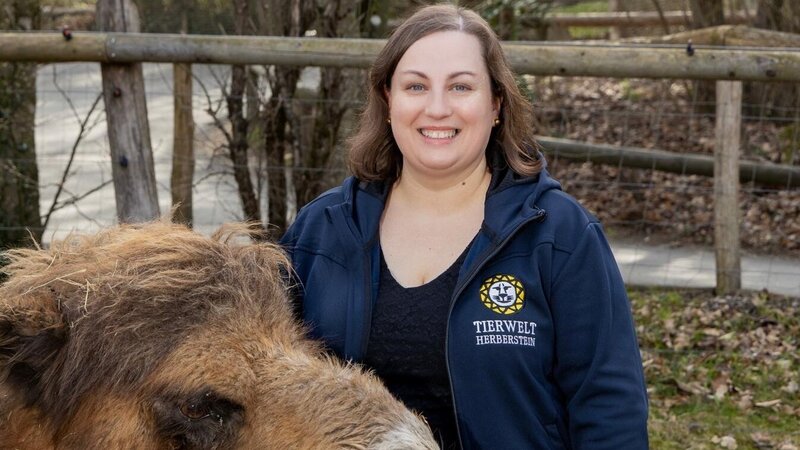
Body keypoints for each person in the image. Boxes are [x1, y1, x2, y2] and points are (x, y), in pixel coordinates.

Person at [280, 4, 649, 449]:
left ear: (495, 103)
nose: (437, 108)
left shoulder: (559, 236)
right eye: (416, 86)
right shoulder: (321, 231)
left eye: (460, 86)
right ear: (388, 100)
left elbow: (609, 410)